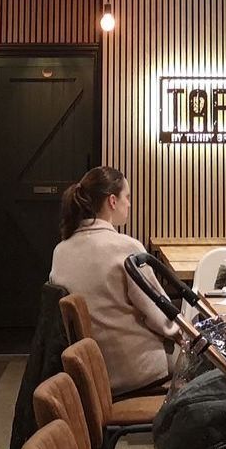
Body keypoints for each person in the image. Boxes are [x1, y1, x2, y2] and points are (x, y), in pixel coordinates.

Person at [48, 166, 176, 395]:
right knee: (210, 361)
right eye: (127, 197)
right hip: (135, 370)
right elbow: (162, 318)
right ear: (113, 201)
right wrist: (190, 334)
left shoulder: (61, 250)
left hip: (91, 370)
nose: (130, 204)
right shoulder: (126, 248)